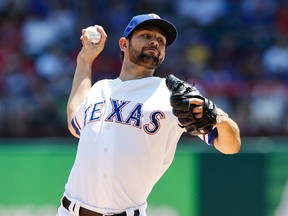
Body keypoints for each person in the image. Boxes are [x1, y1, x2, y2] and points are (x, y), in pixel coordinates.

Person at [57, 13, 241, 216]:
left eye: (161, 40)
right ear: (123, 44)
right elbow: (75, 122)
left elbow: (230, 146)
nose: (155, 41)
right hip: (69, 211)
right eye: (145, 35)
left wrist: (218, 117)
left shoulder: (173, 95)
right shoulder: (101, 88)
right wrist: (85, 60)